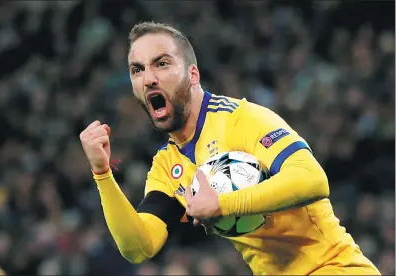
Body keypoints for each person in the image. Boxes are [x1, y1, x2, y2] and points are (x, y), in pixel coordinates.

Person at [79, 22, 380, 275]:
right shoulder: (166, 167)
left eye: (162, 63)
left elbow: (312, 179)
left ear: (193, 75)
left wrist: (222, 206)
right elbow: (139, 247)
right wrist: (102, 173)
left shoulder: (240, 119)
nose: (148, 78)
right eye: (137, 70)